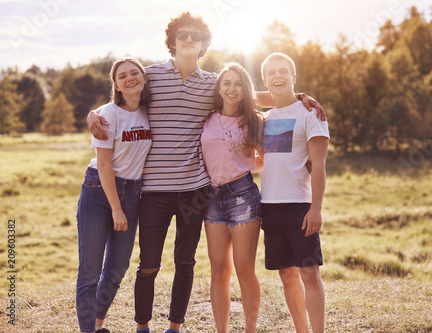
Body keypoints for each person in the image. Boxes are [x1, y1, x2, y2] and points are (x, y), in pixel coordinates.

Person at [87, 12, 325, 333]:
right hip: (174, 192)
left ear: (203, 43)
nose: (188, 40)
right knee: (166, 266)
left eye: (195, 36)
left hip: (219, 192)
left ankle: (212, 328)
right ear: (172, 40)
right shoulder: (153, 75)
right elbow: (125, 95)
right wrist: (94, 114)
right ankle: (161, 327)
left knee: (213, 266)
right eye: (182, 35)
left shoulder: (214, 83)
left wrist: (298, 97)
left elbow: (247, 91)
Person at [76, 57, 152, 333]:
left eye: (135, 73)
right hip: (99, 190)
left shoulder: (148, 110)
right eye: (122, 76)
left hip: (132, 191)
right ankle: (88, 330)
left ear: (144, 78)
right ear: (116, 85)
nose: (130, 78)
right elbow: (105, 163)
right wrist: (116, 208)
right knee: (90, 270)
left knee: (117, 267)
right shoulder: (109, 114)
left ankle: (98, 324)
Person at [258, 52, 329, 333]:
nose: (277, 76)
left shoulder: (311, 113)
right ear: (265, 79)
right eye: (271, 72)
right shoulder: (264, 118)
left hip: (300, 205)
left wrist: (316, 208)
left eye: (283, 71)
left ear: (293, 76)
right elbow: (244, 94)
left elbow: (320, 165)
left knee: (309, 273)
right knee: (287, 275)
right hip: (269, 206)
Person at [201, 62, 263, 332]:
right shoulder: (207, 116)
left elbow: (269, 157)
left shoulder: (254, 120)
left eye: (238, 83)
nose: (232, 88)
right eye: (227, 83)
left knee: (244, 269)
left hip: (243, 196)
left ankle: (250, 329)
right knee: (218, 270)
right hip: (211, 198)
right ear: (219, 88)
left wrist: (243, 167)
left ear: (245, 89)